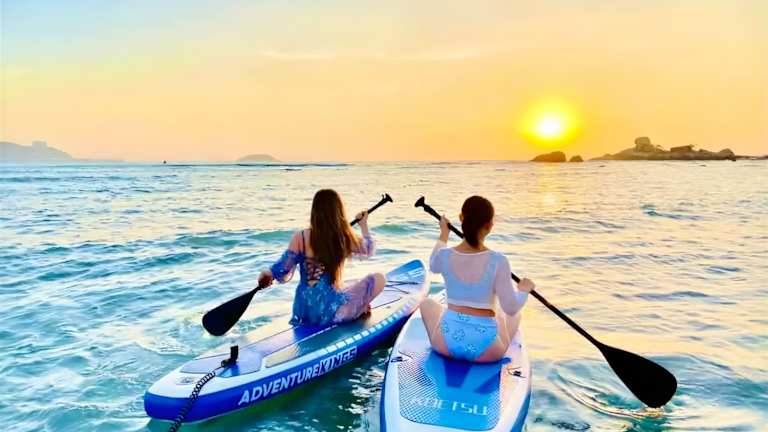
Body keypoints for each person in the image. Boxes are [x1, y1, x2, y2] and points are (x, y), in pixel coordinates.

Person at [420, 196, 536, 362]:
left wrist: (444, 234)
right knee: (512, 314)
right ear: (490, 225)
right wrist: (523, 292)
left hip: (445, 344)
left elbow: (433, 265)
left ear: (461, 218)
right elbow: (511, 308)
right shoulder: (498, 260)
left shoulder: (444, 255)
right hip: (487, 351)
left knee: (426, 303)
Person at [258, 189, 386, 326]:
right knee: (379, 278)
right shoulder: (342, 238)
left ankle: (356, 308)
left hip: (304, 311)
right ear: (338, 211)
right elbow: (368, 248)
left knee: (344, 286)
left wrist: (267, 274)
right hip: (332, 313)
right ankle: (358, 309)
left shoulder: (301, 237)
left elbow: (281, 269)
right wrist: (363, 225)